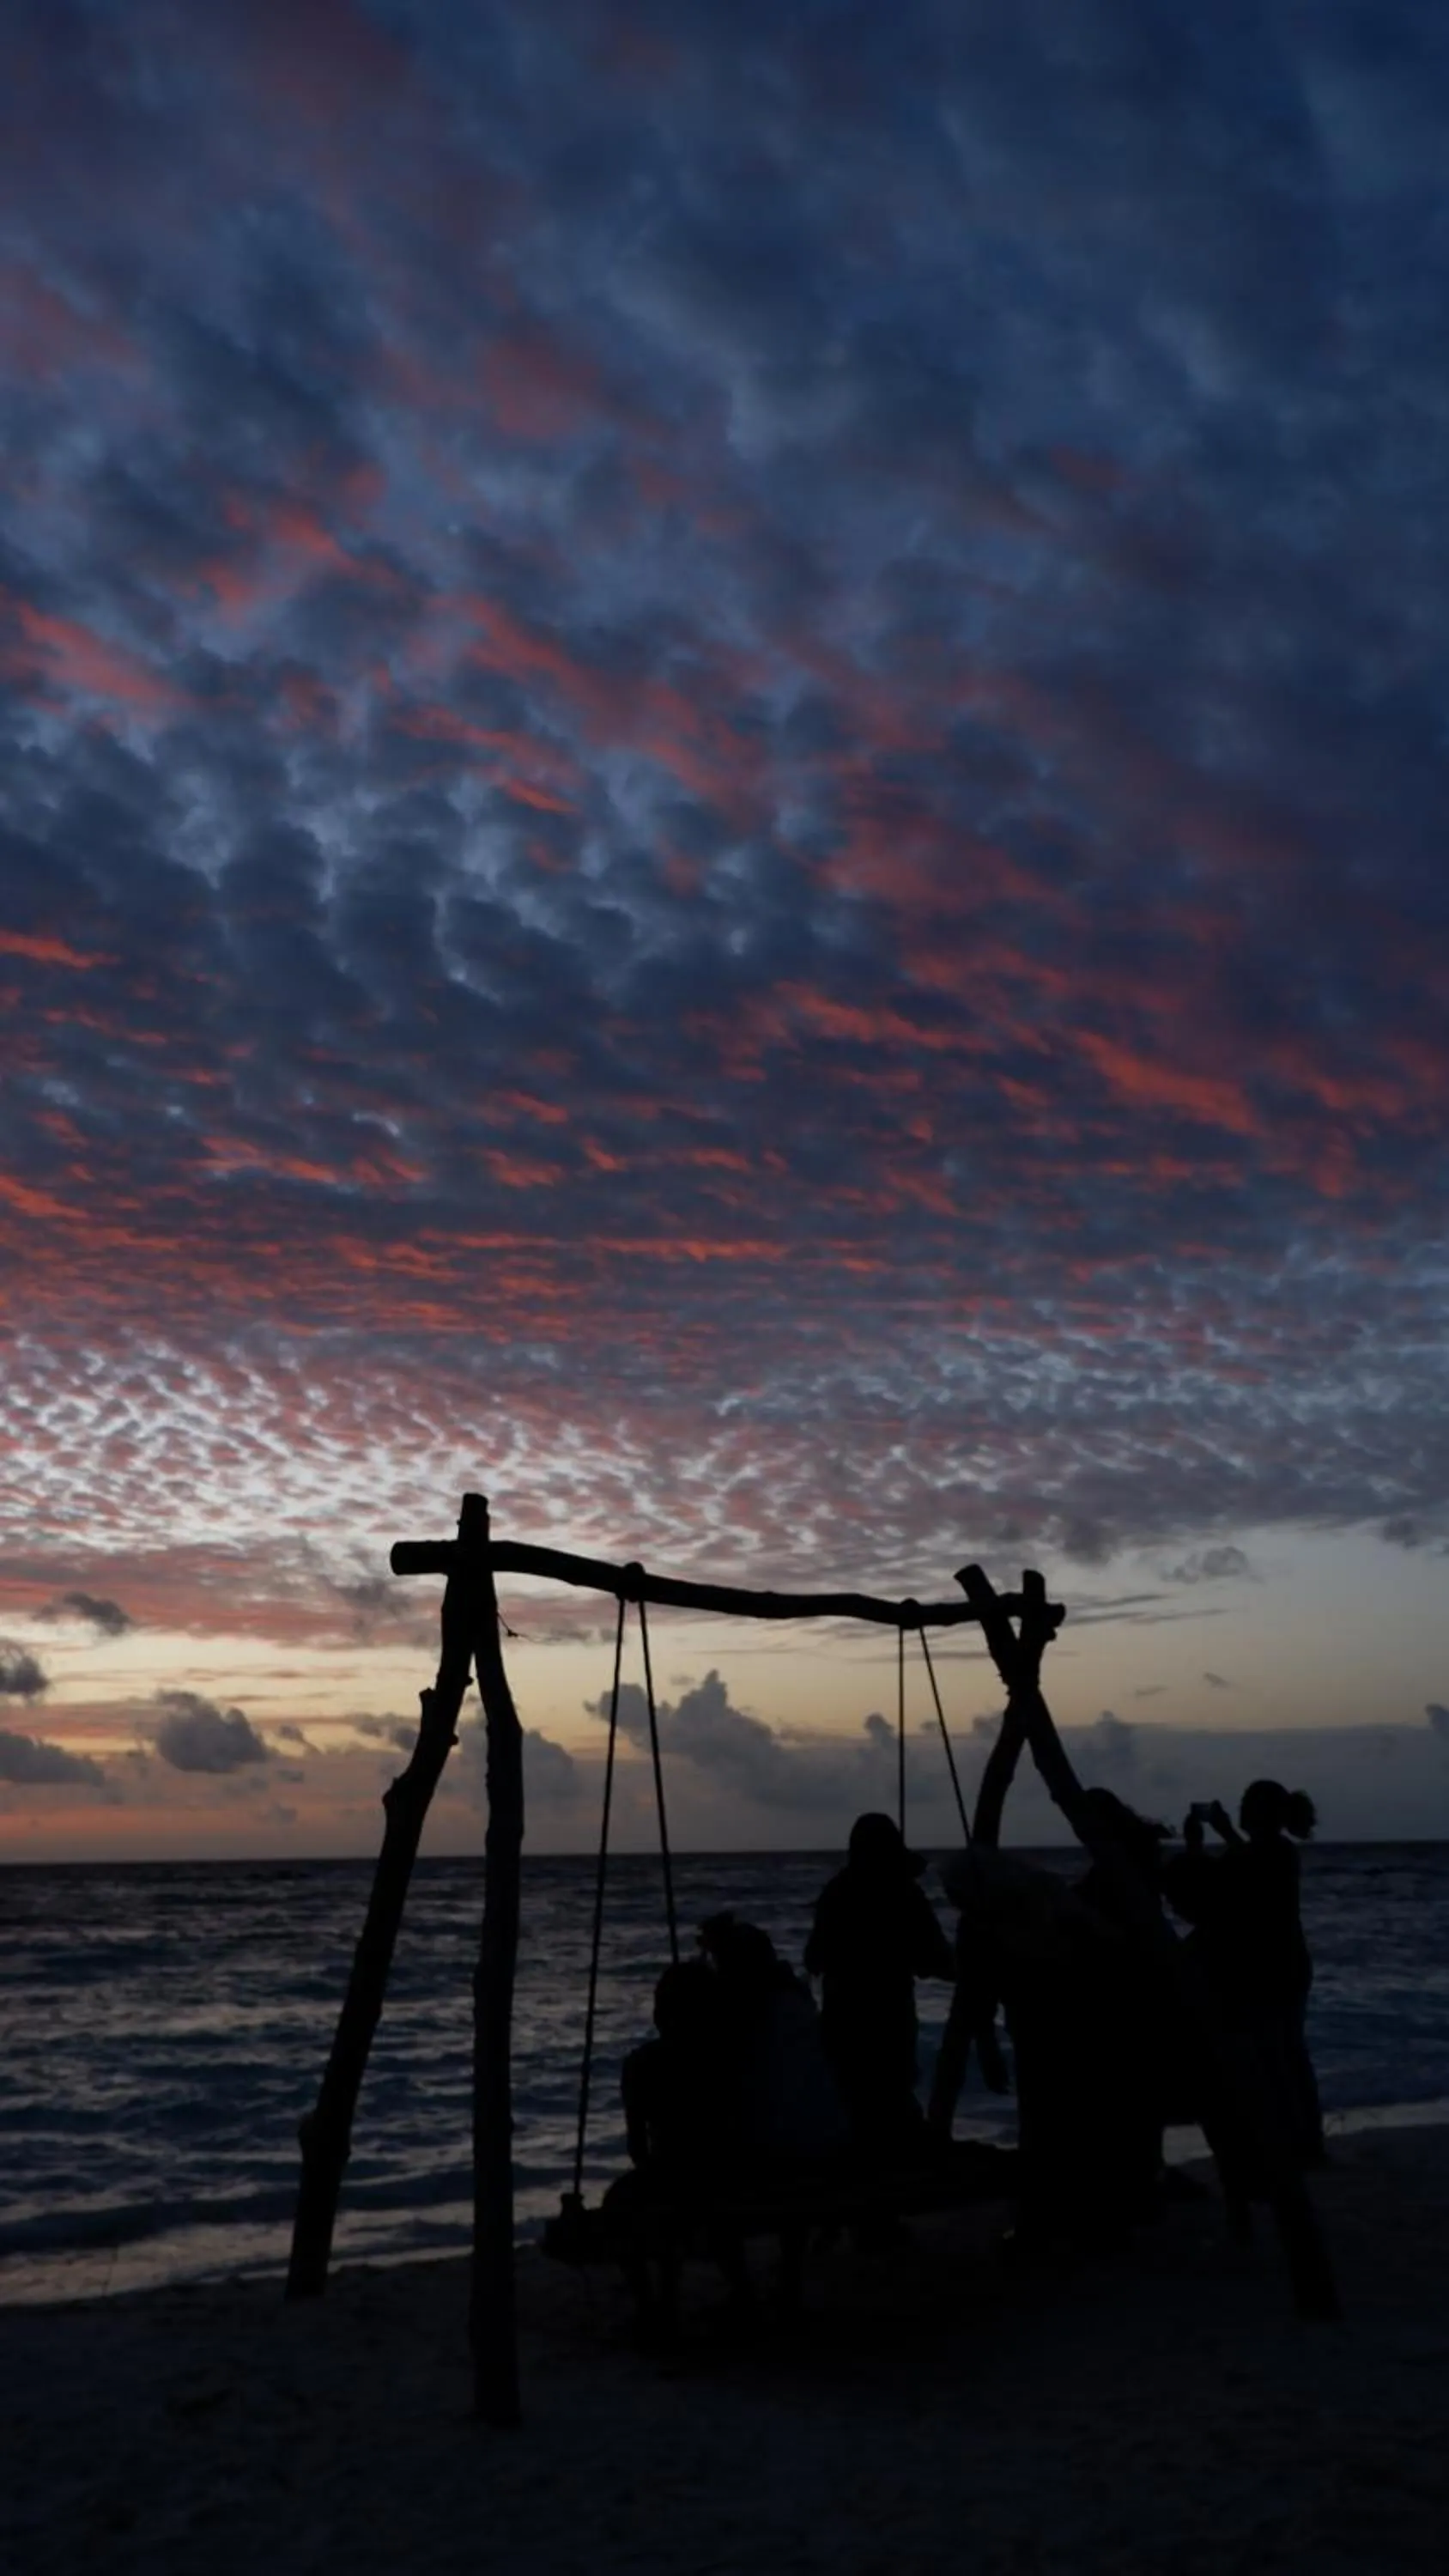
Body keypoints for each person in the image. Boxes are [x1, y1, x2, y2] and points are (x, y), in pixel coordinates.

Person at [1165, 1780, 1324, 2166]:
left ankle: (1299, 2142)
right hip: (1283, 1965)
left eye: (1245, 1805)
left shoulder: (1273, 1853)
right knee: (1286, 2056)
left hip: (1274, 1968)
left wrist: (1206, 1841)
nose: (1239, 1810)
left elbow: (1231, 1881)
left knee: (1279, 2057)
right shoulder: (1273, 1852)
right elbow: (1229, 1880)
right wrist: (1210, 1841)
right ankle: (1302, 2140)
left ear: (1259, 1813)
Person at [804, 1812, 955, 2159]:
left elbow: (814, 1958)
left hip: (842, 2019)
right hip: (890, 2017)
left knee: (854, 2106)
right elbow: (934, 1959)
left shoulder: (837, 1892)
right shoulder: (903, 1893)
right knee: (891, 2101)